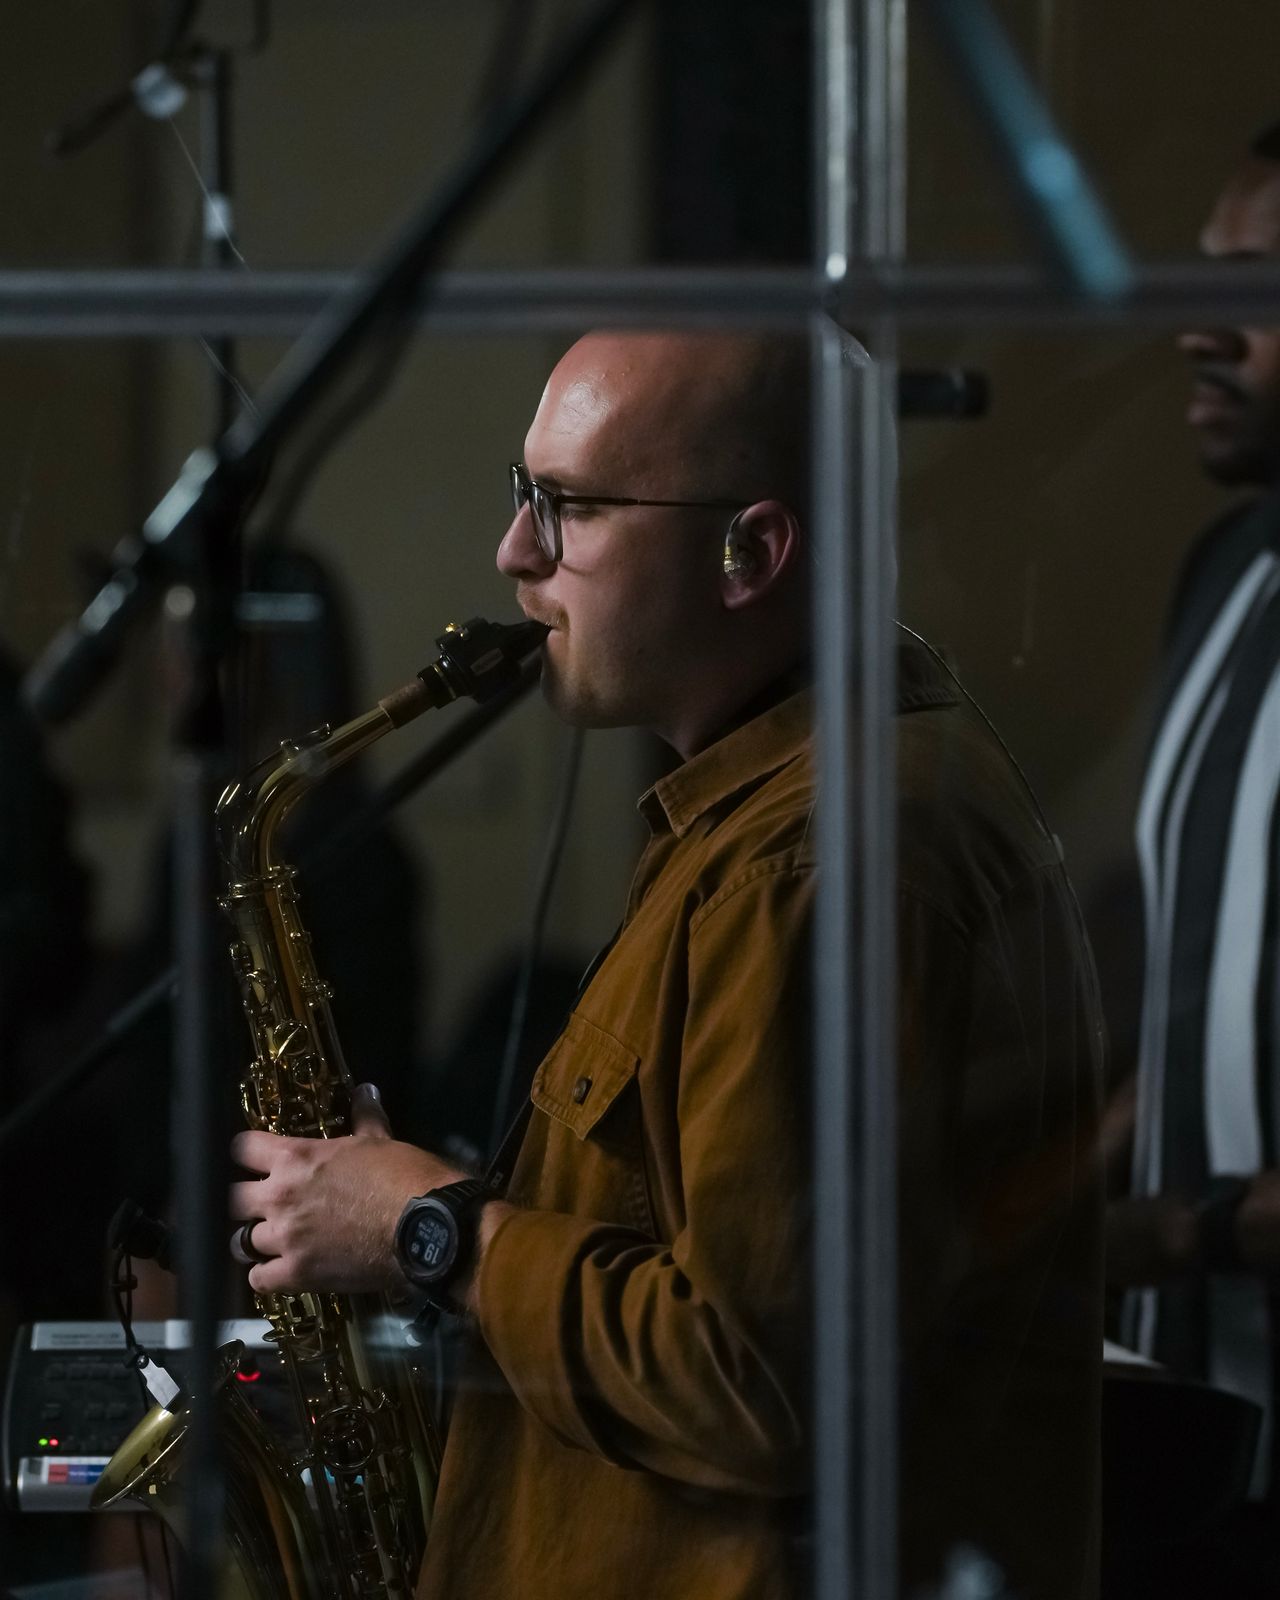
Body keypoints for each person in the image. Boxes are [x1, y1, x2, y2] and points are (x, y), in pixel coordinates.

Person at [229, 330, 1103, 1600]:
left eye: (567, 506)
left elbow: (753, 1382)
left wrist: (430, 1229)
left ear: (752, 550)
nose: (513, 553)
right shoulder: (784, 815)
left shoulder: (812, 859)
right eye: (521, 492)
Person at [1108, 121, 1280, 1594]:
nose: (1197, 328)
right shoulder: (1223, 575)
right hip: (1189, 1426)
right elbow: (1201, 994)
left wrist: (1172, 1230)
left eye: (1259, 287)